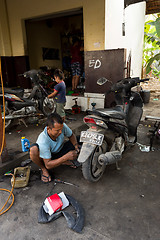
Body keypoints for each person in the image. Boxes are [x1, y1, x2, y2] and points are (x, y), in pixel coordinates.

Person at [29, 113, 80, 183]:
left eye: (61, 129)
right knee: (33, 149)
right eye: (57, 130)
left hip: (59, 150)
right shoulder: (43, 140)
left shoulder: (61, 126)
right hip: (48, 159)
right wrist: (66, 157)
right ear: (48, 129)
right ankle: (43, 170)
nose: (60, 132)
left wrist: (76, 147)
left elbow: (71, 135)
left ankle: (62, 161)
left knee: (79, 139)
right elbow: (48, 165)